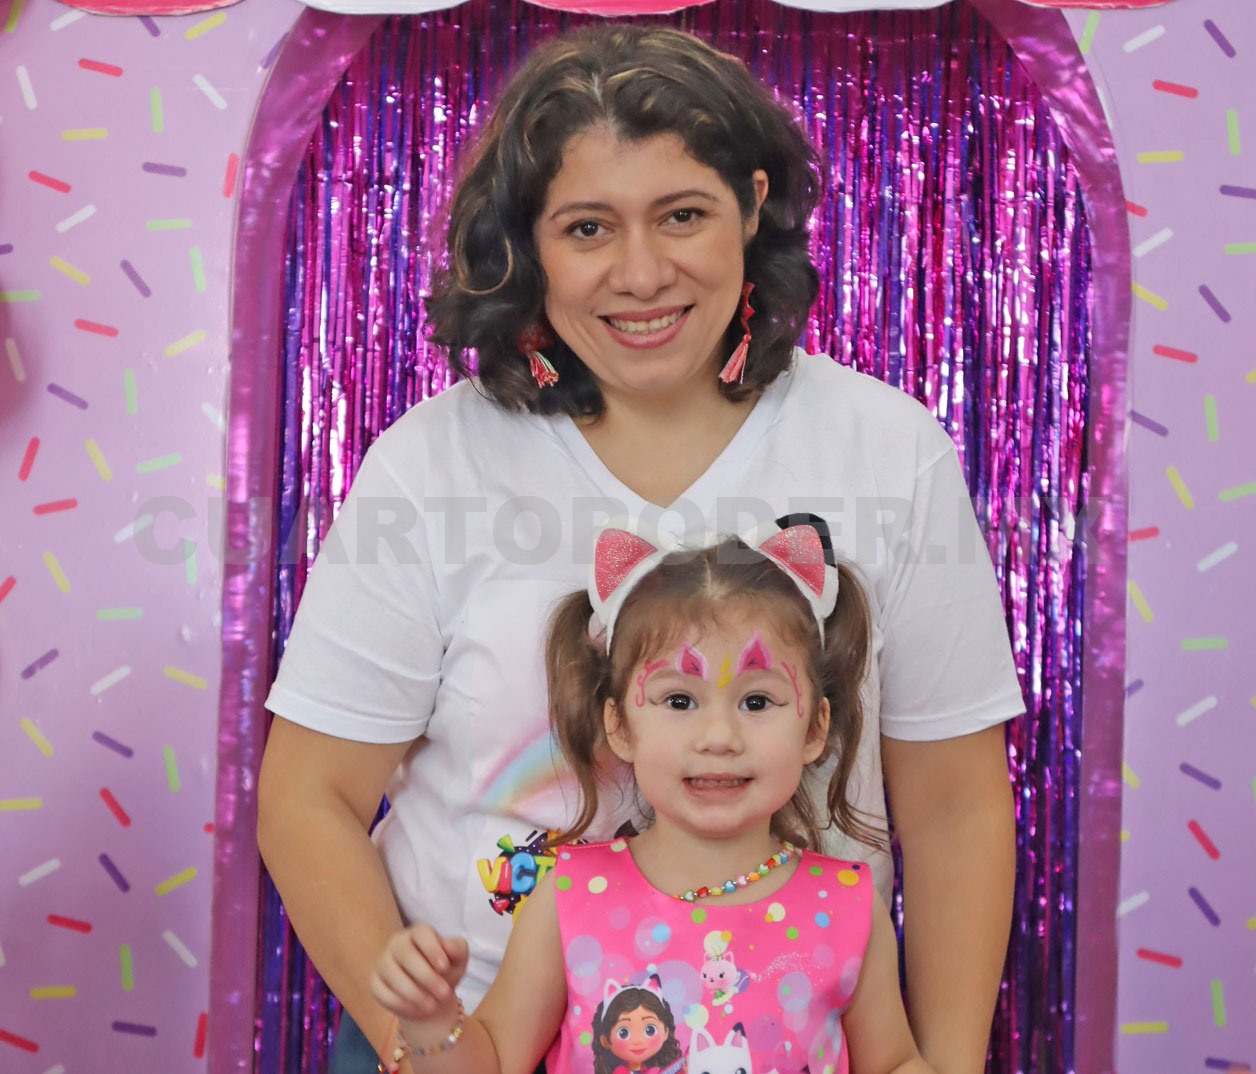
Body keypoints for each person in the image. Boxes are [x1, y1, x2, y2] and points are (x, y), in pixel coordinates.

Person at [257, 23, 1023, 1074]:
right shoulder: (430, 464)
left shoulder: (888, 450)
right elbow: (307, 799)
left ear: (751, 205)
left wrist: (946, 1063)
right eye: (587, 228)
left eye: (682, 215)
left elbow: (955, 809)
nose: (642, 272)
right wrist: (424, 1046)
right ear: (529, 245)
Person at [369, 523, 937, 1074]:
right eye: (680, 701)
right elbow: (493, 1063)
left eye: (758, 702)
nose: (719, 737)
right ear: (619, 726)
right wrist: (432, 1019)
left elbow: (892, 1062)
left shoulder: (849, 909)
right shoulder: (567, 899)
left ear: (814, 728)